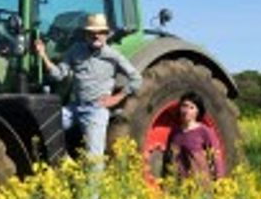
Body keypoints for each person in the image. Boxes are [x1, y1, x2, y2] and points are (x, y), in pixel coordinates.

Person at [34, 12, 142, 162]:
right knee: (45, 126)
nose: (96, 36)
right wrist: (43, 55)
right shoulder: (75, 50)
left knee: (94, 160)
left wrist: (117, 98)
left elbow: (136, 79)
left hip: (96, 110)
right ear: (85, 34)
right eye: (92, 32)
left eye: (101, 32)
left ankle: (94, 185)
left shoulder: (113, 56)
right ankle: (67, 162)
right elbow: (59, 74)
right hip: (74, 107)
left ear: (106, 34)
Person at [166, 92, 223, 184]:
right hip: (178, 185)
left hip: (199, 185)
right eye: (184, 106)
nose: (186, 111)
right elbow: (168, 158)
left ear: (197, 111)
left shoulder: (204, 132)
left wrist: (219, 181)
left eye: (191, 107)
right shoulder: (174, 132)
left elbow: (216, 158)